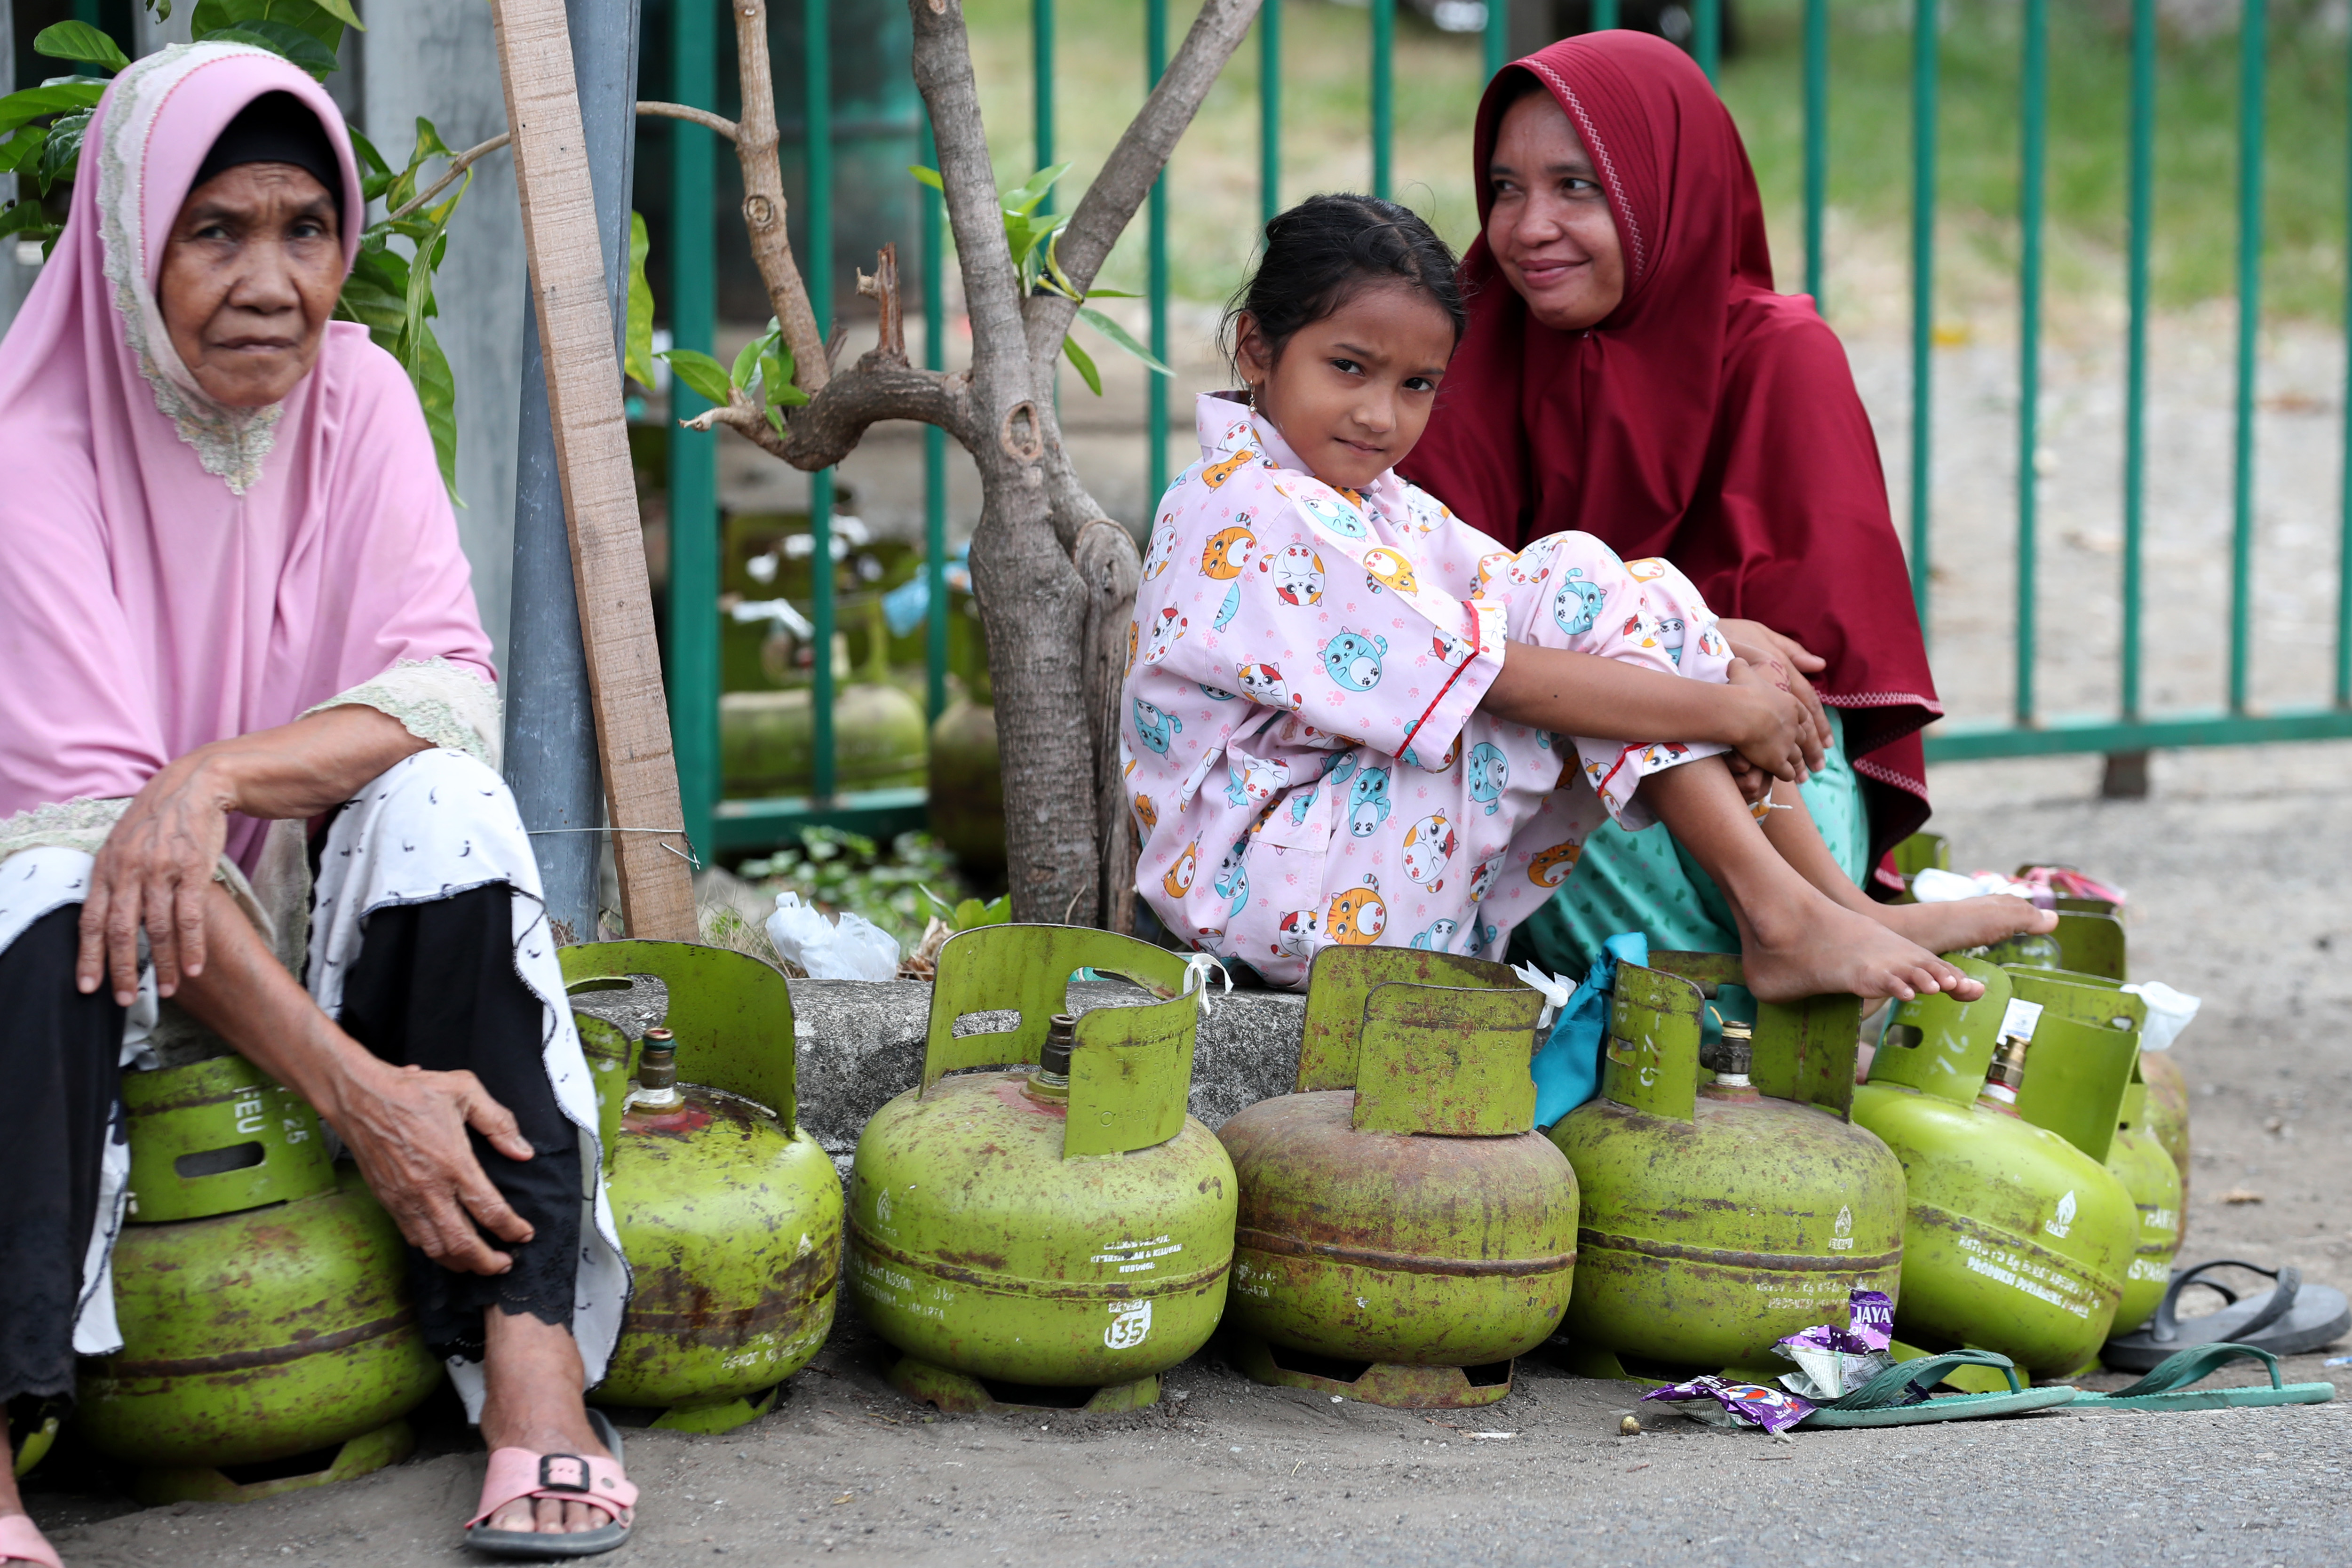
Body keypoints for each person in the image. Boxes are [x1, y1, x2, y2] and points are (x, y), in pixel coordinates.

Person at [0, 46, 635, 1563]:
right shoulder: (34, 451)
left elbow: (441, 688)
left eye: (305, 229)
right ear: (128, 242)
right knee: (56, 885)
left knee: (450, 802)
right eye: (215, 231)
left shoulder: (356, 390)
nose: (273, 279)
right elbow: (97, 846)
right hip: (60, 943)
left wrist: (208, 777)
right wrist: (368, 1092)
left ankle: (529, 1345)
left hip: (265, 896)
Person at [1126, 193, 2042, 1006]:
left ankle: (1830, 909)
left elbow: (1516, 586)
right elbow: (1494, 679)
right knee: (1567, 629)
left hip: (1339, 858)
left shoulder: (1359, 497)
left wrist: (1699, 633)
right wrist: (1726, 708)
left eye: (1416, 387)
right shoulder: (1255, 503)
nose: (1379, 415)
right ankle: (1783, 915)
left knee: (1595, 578)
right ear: (1257, 346)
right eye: (1349, 368)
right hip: (1276, 893)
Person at [1403, 32, 1961, 980]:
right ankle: (1788, 969)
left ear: (1666, 187)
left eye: (1575, 187)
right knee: (1529, 779)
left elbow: (1797, 680)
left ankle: (1815, 933)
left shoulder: (1779, 354)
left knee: (1755, 748)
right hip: (1550, 741)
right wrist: (1700, 632)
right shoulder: (1463, 355)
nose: (1528, 226)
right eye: (1505, 188)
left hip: (1759, 775)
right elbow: (1435, 629)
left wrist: (1720, 683)